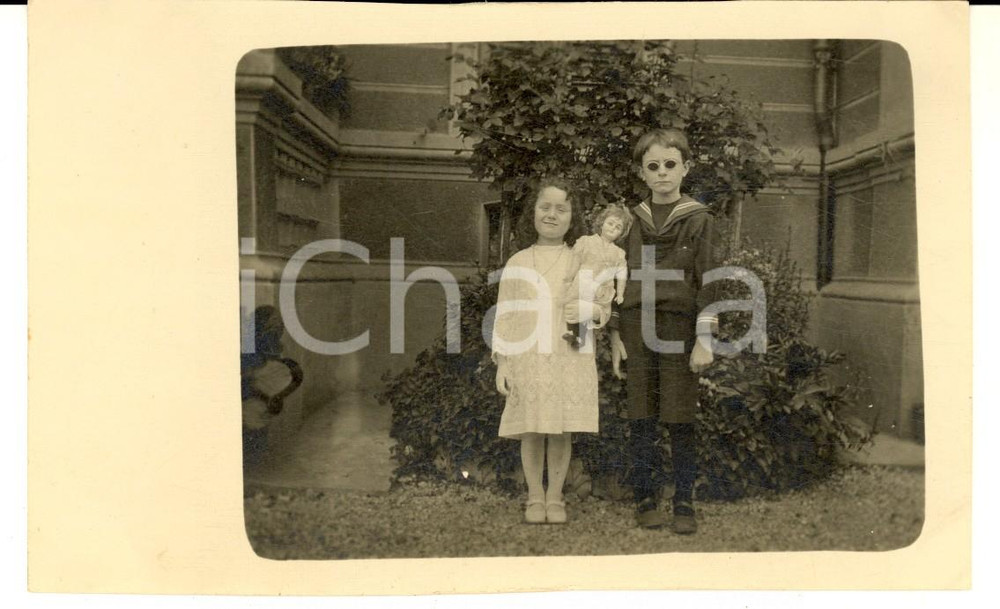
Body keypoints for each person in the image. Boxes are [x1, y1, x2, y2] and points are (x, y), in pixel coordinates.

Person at [608, 128, 720, 534]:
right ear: (642, 172)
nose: (662, 173)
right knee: (641, 414)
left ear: (685, 168)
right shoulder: (630, 222)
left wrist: (704, 340)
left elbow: (710, 279)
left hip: (678, 326)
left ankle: (684, 501)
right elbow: (613, 278)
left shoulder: (699, 220)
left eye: (670, 164)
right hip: (636, 326)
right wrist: (615, 335)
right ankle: (645, 496)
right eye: (652, 166)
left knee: (679, 415)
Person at [492, 179, 602, 524]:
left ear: (573, 217)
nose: (552, 215)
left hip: (568, 355)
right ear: (533, 213)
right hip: (529, 356)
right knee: (532, 428)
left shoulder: (581, 262)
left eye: (561, 209)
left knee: (560, 429)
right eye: (545, 207)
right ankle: (534, 497)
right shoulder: (519, 262)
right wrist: (503, 363)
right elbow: (505, 315)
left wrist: (591, 311)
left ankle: (555, 496)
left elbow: (602, 308)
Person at [561, 204, 633, 350]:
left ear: (621, 233)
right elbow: (574, 262)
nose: (612, 228)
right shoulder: (586, 242)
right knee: (573, 307)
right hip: (582, 284)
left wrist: (620, 293)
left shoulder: (619, 253)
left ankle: (580, 337)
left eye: (618, 227)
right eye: (610, 223)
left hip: (601, 291)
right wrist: (568, 280)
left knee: (589, 313)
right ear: (602, 223)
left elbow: (622, 275)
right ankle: (571, 332)